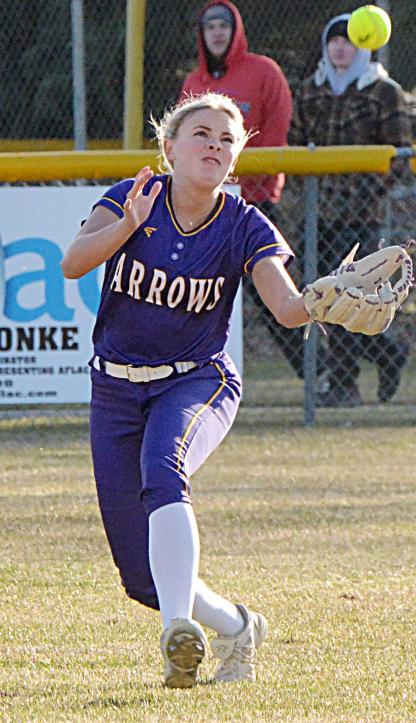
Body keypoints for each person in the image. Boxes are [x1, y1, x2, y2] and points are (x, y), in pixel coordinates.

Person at [60, 93, 318, 688]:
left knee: (163, 466)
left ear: (236, 159)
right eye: (201, 134)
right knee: (140, 575)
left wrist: (323, 301)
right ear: (169, 147)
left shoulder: (244, 222)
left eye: (227, 140)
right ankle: (235, 627)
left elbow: (286, 306)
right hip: (116, 389)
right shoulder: (134, 196)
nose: (214, 146)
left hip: (198, 380)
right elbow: (74, 262)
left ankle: (178, 635)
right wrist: (127, 224)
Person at [290, 13, 412, 407]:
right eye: (334, 40)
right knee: (324, 300)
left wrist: (368, 194)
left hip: (362, 218)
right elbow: (293, 144)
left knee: (349, 302)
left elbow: (401, 157)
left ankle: (347, 383)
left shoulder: (384, 91)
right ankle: (385, 354)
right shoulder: (310, 90)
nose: (341, 47)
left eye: (349, 41)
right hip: (318, 214)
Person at [181, 1, 308, 379]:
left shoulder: (263, 71)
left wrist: (263, 176)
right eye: (210, 26)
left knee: (277, 294)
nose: (217, 32)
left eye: (224, 25)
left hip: (254, 204)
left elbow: (276, 131)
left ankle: (321, 372)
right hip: (208, 206)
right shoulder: (194, 84)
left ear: (236, 31)